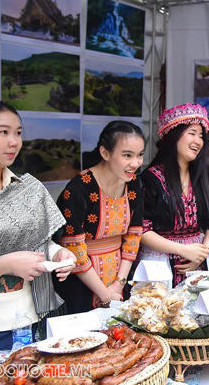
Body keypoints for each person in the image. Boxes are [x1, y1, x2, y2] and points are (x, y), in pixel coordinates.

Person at [0, 99, 76, 380]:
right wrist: (3, 265)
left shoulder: (29, 188)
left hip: (33, 320)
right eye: (3, 132)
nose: (14, 142)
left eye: (18, 132)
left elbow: (40, 243)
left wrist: (59, 253)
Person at [56, 121, 145, 313]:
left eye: (140, 155)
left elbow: (134, 235)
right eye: (127, 155)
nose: (136, 163)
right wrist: (104, 293)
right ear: (105, 153)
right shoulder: (78, 189)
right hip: (81, 283)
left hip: (118, 278)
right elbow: (74, 246)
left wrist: (118, 285)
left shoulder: (135, 184)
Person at [140, 103, 209, 285]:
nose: (198, 141)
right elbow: (141, 229)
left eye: (201, 136)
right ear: (173, 136)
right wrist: (182, 250)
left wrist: (203, 252)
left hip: (198, 262)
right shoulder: (151, 178)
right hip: (160, 263)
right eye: (192, 133)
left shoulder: (201, 176)